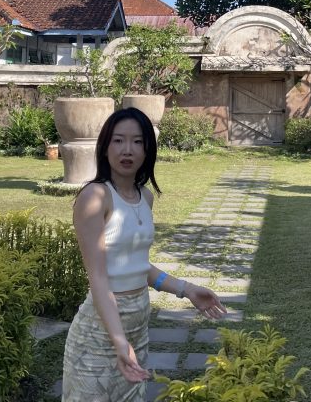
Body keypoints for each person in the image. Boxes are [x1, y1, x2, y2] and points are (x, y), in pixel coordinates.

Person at [62, 107, 226, 401]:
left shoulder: (145, 197)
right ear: (105, 147)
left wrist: (186, 289)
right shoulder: (95, 197)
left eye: (137, 141)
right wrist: (118, 341)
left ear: (148, 149)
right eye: (118, 140)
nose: (127, 150)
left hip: (138, 325)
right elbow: (98, 278)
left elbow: (138, 266)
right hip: (99, 332)